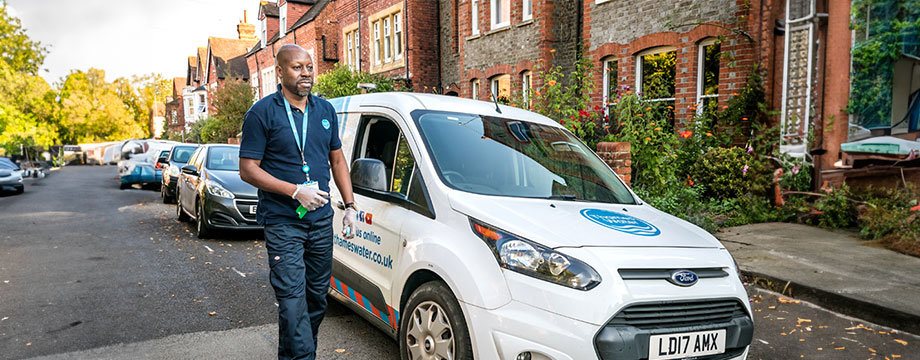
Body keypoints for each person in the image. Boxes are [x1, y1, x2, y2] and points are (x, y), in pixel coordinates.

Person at [239, 44, 358, 360]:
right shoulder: (262, 113)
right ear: (279, 72)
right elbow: (248, 170)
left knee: (316, 300)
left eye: (309, 67)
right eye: (297, 67)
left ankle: (294, 356)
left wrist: (350, 207)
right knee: (292, 302)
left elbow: (337, 161)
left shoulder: (324, 111)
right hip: (283, 222)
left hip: (319, 221)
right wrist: (294, 191)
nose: (305, 73)